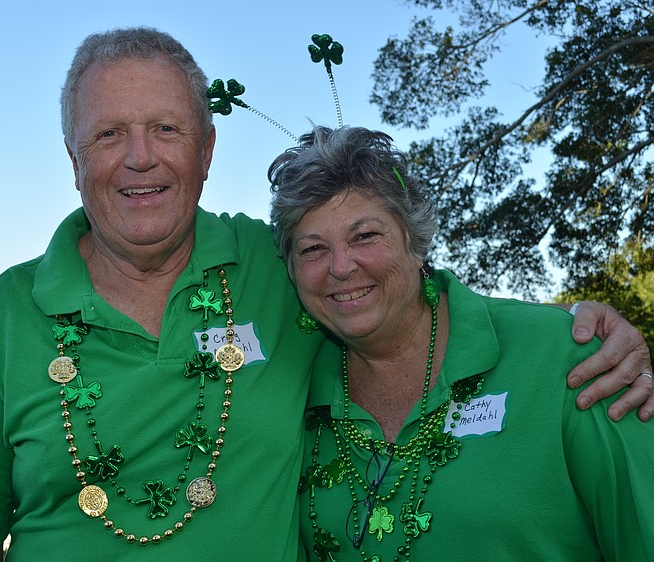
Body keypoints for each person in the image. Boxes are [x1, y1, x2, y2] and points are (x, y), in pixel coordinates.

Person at [0, 28, 653, 562]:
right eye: (109, 134)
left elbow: (404, 295)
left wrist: (592, 329)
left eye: (165, 129)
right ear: (75, 157)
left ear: (205, 153)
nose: (139, 158)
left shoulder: (271, 271)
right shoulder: (6, 315)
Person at [267, 126, 653, 561]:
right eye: (313, 249)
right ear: (292, 271)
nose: (341, 267)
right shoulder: (286, 392)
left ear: (415, 243)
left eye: (365, 236)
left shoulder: (569, 356)